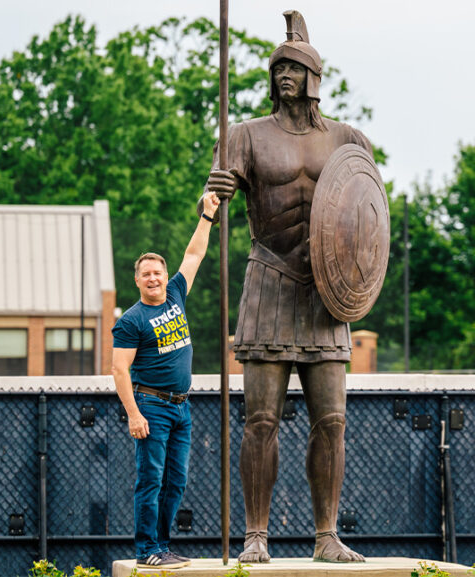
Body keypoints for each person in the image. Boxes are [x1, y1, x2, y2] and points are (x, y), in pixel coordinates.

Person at [204, 11, 371, 564]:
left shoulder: (348, 141)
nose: (284, 76)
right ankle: (256, 534)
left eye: (294, 68)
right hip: (270, 280)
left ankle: (326, 535)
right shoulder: (245, 135)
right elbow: (212, 204)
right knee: (261, 420)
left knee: (332, 419)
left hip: (326, 294)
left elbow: (367, 220)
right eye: (278, 68)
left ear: (314, 78)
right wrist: (216, 191)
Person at [112, 192, 220, 570]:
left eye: (158, 271)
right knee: (151, 481)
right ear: (137, 281)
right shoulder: (131, 320)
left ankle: (162, 544)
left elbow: (193, 255)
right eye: (147, 274)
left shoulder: (176, 293)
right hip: (152, 407)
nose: (154, 278)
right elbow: (119, 370)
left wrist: (207, 216)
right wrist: (133, 414)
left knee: (176, 482)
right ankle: (147, 550)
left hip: (181, 406)